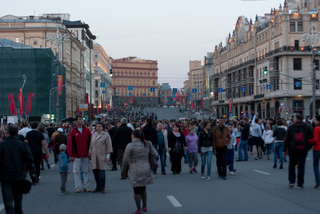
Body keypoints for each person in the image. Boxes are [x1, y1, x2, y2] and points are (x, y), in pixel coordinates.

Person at [0, 124, 38, 213]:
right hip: (19, 176)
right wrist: (34, 177)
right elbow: (30, 162)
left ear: (7, 132)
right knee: (18, 202)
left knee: (8, 201)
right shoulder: (22, 145)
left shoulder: (1, 145)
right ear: (17, 133)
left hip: (5, 177)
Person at [121, 130, 157, 214]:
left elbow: (125, 160)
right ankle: (145, 206)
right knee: (143, 188)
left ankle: (138, 209)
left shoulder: (130, 145)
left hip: (135, 168)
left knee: (136, 189)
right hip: (146, 167)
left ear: (133, 136)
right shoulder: (147, 143)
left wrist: (123, 171)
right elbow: (154, 153)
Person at [283, 114, 313, 189]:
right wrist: (307, 148)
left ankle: (291, 181)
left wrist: (284, 150)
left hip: (292, 149)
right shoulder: (307, 127)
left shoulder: (290, 127)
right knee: (301, 166)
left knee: (292, 165)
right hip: (303, 149)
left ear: (296, 119)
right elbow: (311, 139)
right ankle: (300, 184)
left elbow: (286, 139)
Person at [67, 115, 92, 193]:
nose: (81, 121)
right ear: (76, 121)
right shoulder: (73, 131)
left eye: (82, 119)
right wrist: (71, 155)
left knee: (86, 171)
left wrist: (90, 151)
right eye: (80, 119)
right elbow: (70, 143)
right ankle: (78, 187)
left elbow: (91, 142)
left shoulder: (87, 130)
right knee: (76, 171)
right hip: (76, 154)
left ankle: (86, 186)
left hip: (85, 153)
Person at [89, 122, 113, 194]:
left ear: (102, 127)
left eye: (100, 126)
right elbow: (91, 145)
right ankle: (98, 186)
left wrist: (108, 155)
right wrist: (90, 153)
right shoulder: (93, 135)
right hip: (94, 156)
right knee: (95, 171)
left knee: (102, 172)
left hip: (102, 155)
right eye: (97, 126)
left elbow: (108, 146)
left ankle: (102, 187)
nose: (98, 128)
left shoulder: (106, 135)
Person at [308, 115, 320, 188]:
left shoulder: (316, 128)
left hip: (317, 148)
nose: (314, 121)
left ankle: (318, 181)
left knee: (316, 165)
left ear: (318, 121)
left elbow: (315, 140)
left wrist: (308, 141)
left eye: (315, 120)